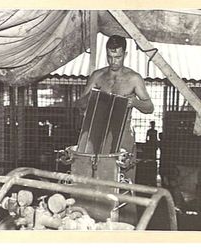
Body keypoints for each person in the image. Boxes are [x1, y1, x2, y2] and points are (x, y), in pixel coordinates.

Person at [76, 35, 154, 225]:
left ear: (124, 54)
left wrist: (133, 102)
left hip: (123, 137)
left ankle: (128, 229)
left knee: (125, 184)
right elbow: (80, 105)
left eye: (117, 57)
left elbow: (149, 107)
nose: (113, 61)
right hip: (97, 136)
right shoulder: (97, 76)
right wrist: (93, 98)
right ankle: (95, 225)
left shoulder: (133, 78)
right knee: (96, 180)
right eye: (110, 57)